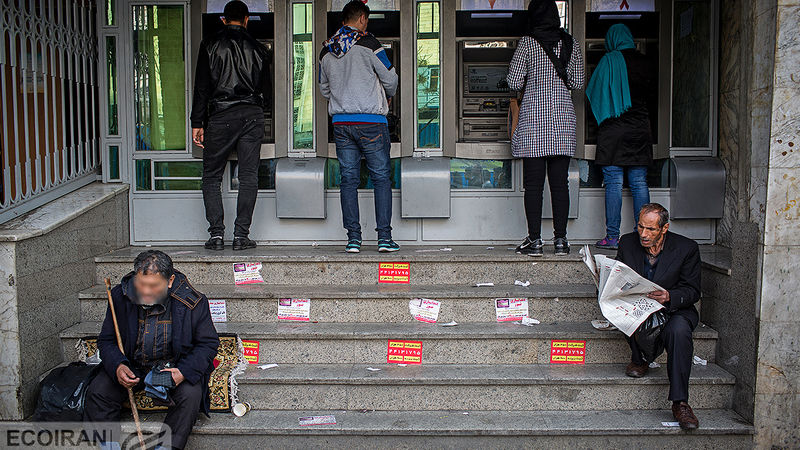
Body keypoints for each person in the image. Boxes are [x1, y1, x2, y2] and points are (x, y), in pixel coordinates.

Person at [84, 250, 220, 449]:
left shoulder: (192, 302)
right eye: (141, 284)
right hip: (133, 365)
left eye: (154, 286)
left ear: (170, 281)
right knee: (98, 391)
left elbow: (208, 344)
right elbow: (107, 340)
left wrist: (182, 372)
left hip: (171, 367)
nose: (146, 292)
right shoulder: (119, 296)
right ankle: (107, 445)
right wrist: (118, 366)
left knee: (191, 395)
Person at [319, 0, 399, 253]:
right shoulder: (370, 45)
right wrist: (385, 94)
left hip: (342, 123)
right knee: (380, 178)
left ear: (343, 20)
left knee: (349, 180)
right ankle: (384, 238)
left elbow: (324, 89)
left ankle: (353, 239)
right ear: (363, 18)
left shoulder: (326, 51)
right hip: (371, 122)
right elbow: (391, 79)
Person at [190, 0, 271, 251]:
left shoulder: (210, 45)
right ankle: (240, 236)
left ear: (224, 20)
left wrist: (197, 122)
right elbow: (266, 91)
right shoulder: (259, 48)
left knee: (211, 176)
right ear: (246, 20)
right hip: (251, 115)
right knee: (248, 177)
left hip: (220, 116)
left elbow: (202, 87)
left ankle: (216, 236)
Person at [507, 0, 585, 257]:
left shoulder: (528, 42)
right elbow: (577, 80)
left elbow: (514, 80)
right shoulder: (571, 43)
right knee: (560, 184)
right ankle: (561, 241)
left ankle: (535, 241)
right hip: (563, 120)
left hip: (534, 120)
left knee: (534, 185)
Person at [615, 203, 701, 430]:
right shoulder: (627, 242)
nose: (643, 234)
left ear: (664, 228)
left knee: (679, 331)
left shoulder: (686, 248)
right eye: (641, 227)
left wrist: (669, 296)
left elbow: (693, 291)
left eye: (651, 229)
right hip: (639, 305)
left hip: (674, 309)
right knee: (620, 311)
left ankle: (680, 403)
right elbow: (618, 275)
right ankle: (640, 358)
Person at [586, 23, 655, 250]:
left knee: (614, 183)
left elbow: (592, 93)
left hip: (613, 131)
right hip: (639, 129)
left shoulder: (608, 61)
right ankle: (644, 236)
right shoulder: (645, 62)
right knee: (639, 182)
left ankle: (613, 237)